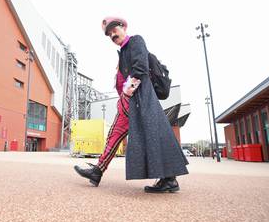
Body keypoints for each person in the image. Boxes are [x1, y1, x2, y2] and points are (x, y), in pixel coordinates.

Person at [74, 17, 189, 193]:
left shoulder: (136, 40)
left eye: (114, 29)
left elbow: (141, 68)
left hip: (137, 99)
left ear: (123, 27)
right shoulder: (123, 52)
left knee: (133, 134)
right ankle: (168, 180)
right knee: (145, 136)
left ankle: (98, 171)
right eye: (109, 33)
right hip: (133, 101)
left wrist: (127, 93)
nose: (112, 34)